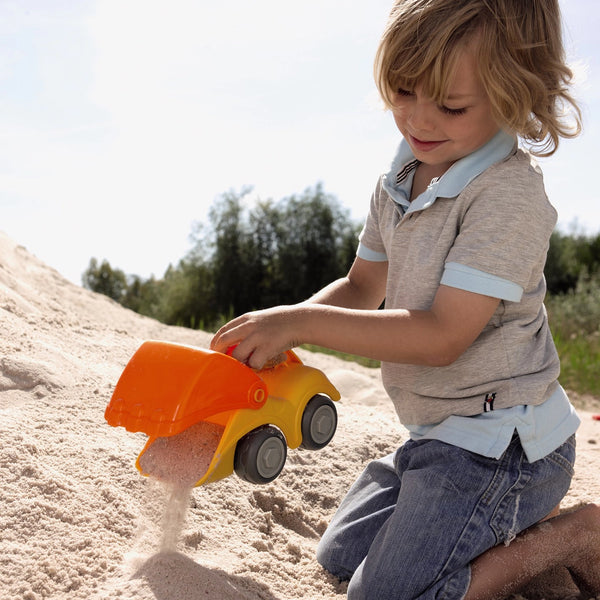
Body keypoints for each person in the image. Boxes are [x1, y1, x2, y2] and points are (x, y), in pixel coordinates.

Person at [211, 0, 600, 598]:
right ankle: (451, 503)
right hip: (437, 436)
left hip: (507, 449)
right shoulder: (400, 179)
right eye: (402, 91)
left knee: (384, 595)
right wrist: (281, 332)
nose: (419, 119)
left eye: (451, 105)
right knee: (339, 557)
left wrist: (300, 322)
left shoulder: (507, 196)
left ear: (513, 95)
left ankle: (571, 535)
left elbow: (443, 335)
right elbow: (363, 287)